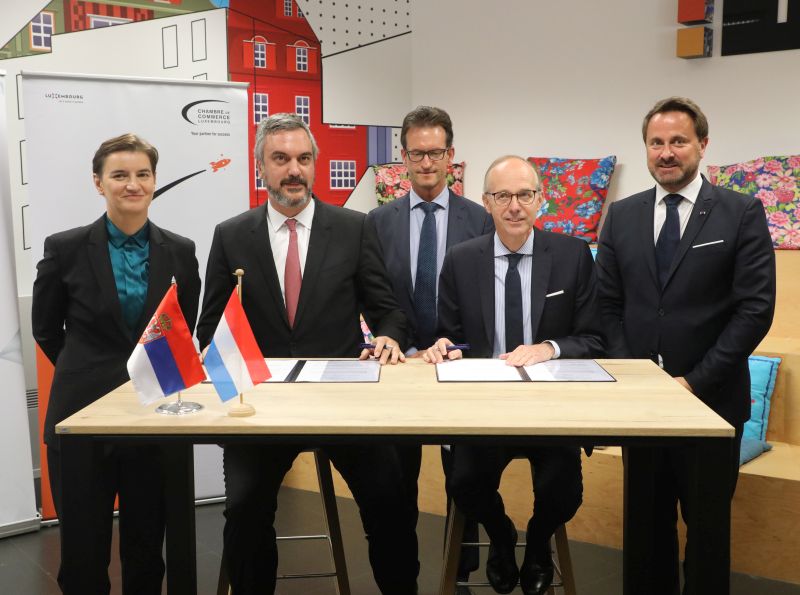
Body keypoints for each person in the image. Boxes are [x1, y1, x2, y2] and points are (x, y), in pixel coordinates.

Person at [196, 113, 417, 595]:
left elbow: (388, 312)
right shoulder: (231, 235)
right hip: (263, 406)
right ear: (260, 167)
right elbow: (210, 327)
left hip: (342, 401)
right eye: (280, 159)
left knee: (391, 502)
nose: (293, 170)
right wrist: (221, 357)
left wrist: (389, 337)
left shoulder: (354, 228)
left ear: (314, 164)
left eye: (303, 158)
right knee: (244, 510)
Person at [595, 96, 776, 594]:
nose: (666, 152)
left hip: (711, 405)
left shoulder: (740, 212)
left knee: (708, 538)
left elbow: (755, 310)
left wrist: (693, 382)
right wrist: (637, 378)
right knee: (646, 536)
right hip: (643, 409)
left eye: (678, 141)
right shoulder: (622, 216)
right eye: (656, 142)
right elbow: (607, 306)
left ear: (702, 144)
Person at [424, 155, 603, 595]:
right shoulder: (461, 260)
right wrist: (445, 346)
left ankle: (538, 542)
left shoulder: (573, 255)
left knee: (563, 492)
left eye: (525, 194)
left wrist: (549, 348)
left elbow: (594, 337)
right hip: (486, 407)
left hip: (551, 409)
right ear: (486, 202)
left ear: (541, 199)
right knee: (464, 483)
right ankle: (502, 535)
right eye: (502, 196)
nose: (515, 206)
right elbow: (450, 335)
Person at [32, 133, 201, 594]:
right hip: (80, 417)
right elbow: (46, 330)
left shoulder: (181, 250)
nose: (133, 184)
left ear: (154, 181)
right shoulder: (64, 248)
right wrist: (91, 371)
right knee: (83, 551)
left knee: (146, 548)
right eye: (120, 175)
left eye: (142, 174)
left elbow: (182, 325)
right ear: (98, 182)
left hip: (152, 417)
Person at [367, 105, 493, 590]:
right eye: (416, 153)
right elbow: (374, 296)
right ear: (403, 157)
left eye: (435, 153)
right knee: (396, 483)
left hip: (459, 363)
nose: (425, 162)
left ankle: (458, 573)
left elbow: (484, 298)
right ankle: (402, 579)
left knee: (464, 478)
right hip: (400, 367)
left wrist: (456, 346)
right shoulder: (376, 222)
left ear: (450, 156)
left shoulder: (480, 220)